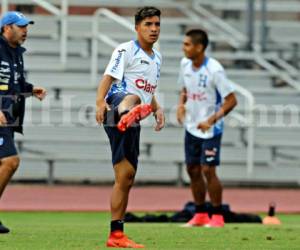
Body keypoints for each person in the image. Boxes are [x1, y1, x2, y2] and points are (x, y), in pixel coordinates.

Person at [95, 6, 164, 248]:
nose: (153, 29)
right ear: (137, 27)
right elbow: (108, 77)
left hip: (135, 117)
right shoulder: (125, 50)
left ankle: (116, 235)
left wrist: (156, 109)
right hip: (116, 105)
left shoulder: (157, 57)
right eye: (148, 24)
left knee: (126, 177)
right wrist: (99, 103)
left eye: (156, 24)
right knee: (132, 98)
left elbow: (148, 89)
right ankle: (128, 113)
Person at [176, 29, 237, 228]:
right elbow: (184, 89)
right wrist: (180, 106)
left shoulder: (214, 69)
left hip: (211, 128)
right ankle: (201, 214)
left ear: (199, 47)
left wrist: (211, 119)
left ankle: (218, 216)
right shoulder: (184, 64)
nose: (183, 48)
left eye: (187, 44)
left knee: (208, 169)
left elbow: (231, 101)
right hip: (192, 126)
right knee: (192, 169)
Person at [0, 11, 47, 233]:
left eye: (26, 26)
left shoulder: (16, 52)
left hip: (9, 117)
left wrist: (30, 89)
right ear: (6, 28)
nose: (25, 30)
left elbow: (14, 83)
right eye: (20, 26)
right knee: (10, 161)